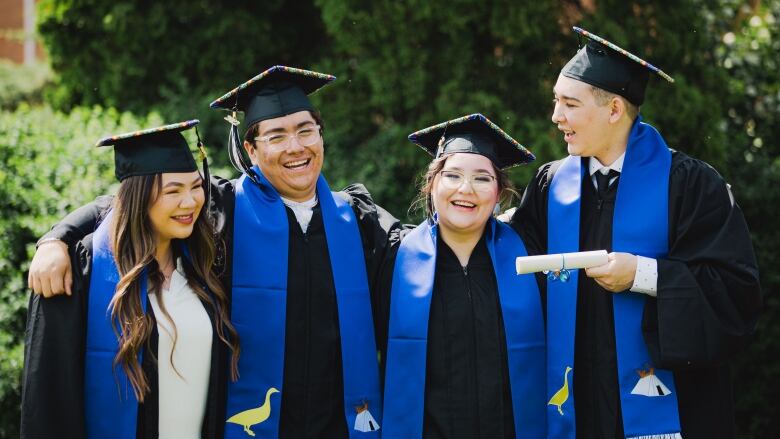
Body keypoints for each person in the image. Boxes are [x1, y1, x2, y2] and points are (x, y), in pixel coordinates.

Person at [27, 66, 399, 438]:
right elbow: (136, 203)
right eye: (276, 135)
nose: (296, 146)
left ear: (321, 136)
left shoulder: (357, 219)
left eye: (306, 130)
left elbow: (420, 248)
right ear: (250, 149)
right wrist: (57, 238)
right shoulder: (223, 210)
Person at [510, 27, 762, 439]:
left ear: (613, 110)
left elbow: (735, 292)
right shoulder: (551, 185)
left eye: (569, 104)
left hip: (671, 411)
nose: (556, 116)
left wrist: (645, 275)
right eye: (556, 101)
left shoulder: (690, 184)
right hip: (578, 406)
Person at [21, 120, 240, 439]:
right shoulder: (83, 272)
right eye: (172, 191)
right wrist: (54, 240)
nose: (190, 202)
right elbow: (49, 399)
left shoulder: (205, 265)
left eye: (195, 187)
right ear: (139, 200)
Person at [375, 114, 546, 439]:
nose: (465, 189)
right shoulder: (393, 259)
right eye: (452, 175)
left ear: (498, 193)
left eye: (482, 178)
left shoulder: (529, 257)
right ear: (432, 185)